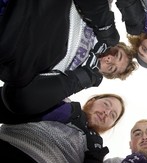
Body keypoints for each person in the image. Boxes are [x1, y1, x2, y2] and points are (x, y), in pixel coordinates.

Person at [0, 0, 137, 113]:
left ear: (105, 74)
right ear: (117, 45)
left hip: (15, 46)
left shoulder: (70, 78)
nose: (109, 60)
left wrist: (80, 79)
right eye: (116, 55)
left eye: (111, 68)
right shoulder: (102, 18)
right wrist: (105, 26)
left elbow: (17, 99)